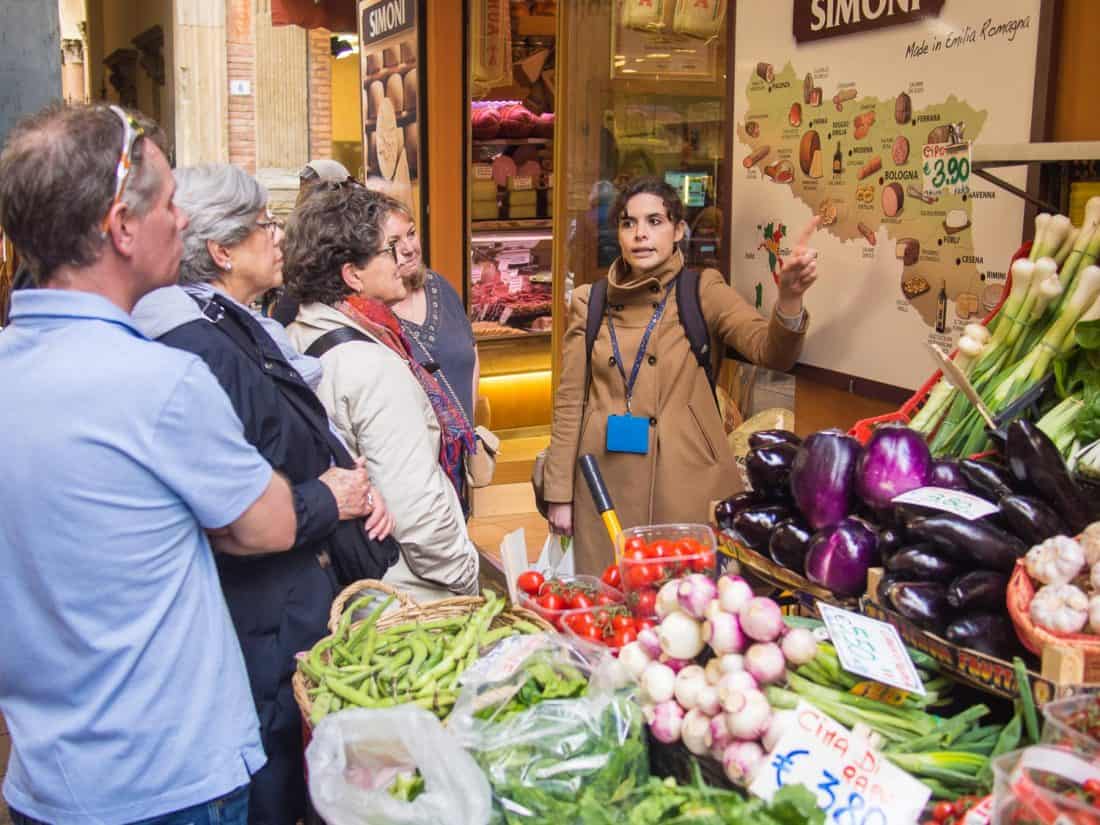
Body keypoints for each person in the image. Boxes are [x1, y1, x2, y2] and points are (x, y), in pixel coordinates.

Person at [0, 103, 297, 825]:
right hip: (170, 780)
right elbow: (272, 524)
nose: (185, 222)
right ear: (120, 226)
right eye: (169, 204)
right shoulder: (160, 383)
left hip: (46, 779)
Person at [130, 163, 400, 825]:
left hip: (289, 607)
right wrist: (332, 495)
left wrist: (353, 473)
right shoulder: (203, 347)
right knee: (277, 786)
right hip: (267, 619)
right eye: (261, 226)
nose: (277, 236)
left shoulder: (236, 324)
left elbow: (296, 437)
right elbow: (240, 494)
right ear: (222, 251)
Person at [540, 176, 819, 574]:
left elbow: (770, 351)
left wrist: (789, 298)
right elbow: (570, 401)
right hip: (604, 488)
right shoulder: (591, 300)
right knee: (612, 611)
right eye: (628, 223)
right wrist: (559, 493)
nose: (641, 234)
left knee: (685, 613)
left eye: (655, 221)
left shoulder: (701, 289)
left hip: (686, 483)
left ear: (679, 230)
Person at [284, 185, 480, 603]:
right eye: (389, 248)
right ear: (353, 275)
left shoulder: (298, 335)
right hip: (407, 592)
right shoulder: (371, 366)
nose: (402, 258)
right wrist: (464, 573)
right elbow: (416, 507)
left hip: (358, 581)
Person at [386, 200, 482, 513]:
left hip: (456, 467)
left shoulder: (440, 287)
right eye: (393, 242)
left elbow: (471, 353)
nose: (409, 248)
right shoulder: (374, 311)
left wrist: (464, 425)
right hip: (411, 475)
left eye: (411, 234)